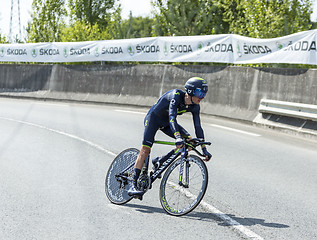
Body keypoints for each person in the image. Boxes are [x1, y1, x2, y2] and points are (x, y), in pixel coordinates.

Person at [128, 77, 212, 197]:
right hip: (154, 119)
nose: (202, 97)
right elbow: (172, 116)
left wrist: (204, 149)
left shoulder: (195, 106)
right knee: (145, 149)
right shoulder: (176, 96)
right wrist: (177, 136)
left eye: (205, 93)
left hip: (167, 123)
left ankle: (160, 160)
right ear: (190, 91)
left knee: (191, 142)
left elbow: (198, 127)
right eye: (200, 93)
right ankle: (132, 183)